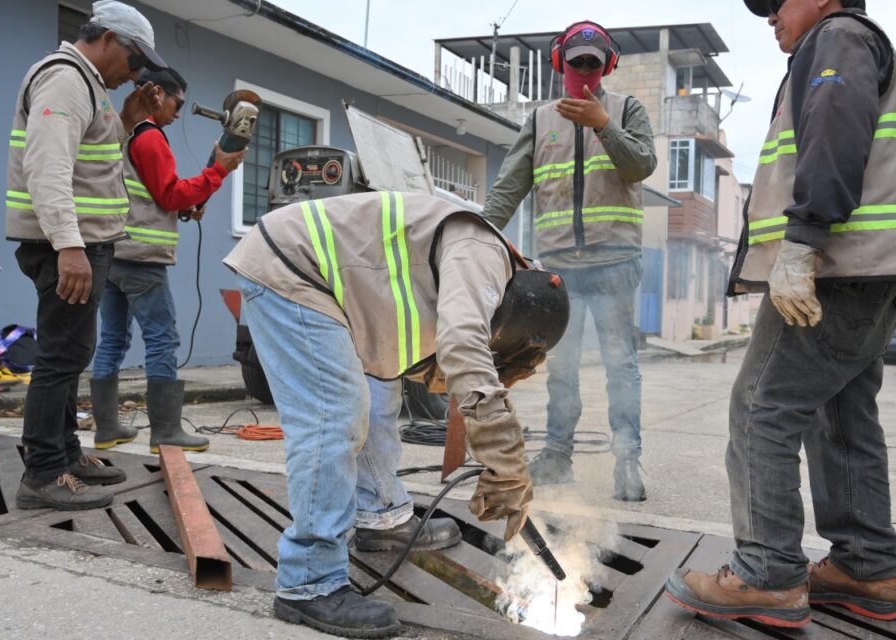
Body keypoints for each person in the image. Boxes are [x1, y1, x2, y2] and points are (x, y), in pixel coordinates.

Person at [664, 0, 896, 628]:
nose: (769, 17)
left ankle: (767, 574)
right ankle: (865, 568)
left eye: (777, 4)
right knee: (841, 415)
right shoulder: (847, 43)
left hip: (832, 270)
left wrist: (801, 245)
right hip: (869, 272)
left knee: (761, 407)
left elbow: (836, 130)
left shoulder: (837, 37)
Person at [224, 191, 566, 639]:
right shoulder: (486, 255)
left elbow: (457, 360)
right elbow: (465, 346)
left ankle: (381, 514)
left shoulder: (487, 273)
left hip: (339, 293)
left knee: (378, 393)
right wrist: (505, 458)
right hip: (292, 268)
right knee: (335, 415)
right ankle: (308, 582)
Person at [480, 20, 657, 502]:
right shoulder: (539, 121)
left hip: (615, 263)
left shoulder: (625, 110)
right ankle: (557, 456)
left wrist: (602, 124)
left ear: (606, 67)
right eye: (575, 61)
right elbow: (509, 188)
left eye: (592, 64)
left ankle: (627, 461)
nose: (583, 71)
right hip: (559, 270)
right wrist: (475, 237)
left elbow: (641, 165)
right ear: (560, 62)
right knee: (562, 367)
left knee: (621, 365)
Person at [6, 0, 166, 511]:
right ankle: (43, 474)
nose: (135, 72)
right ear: (109, 40)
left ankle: (67, 453)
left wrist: (126, 120)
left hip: (82, 242)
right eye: (135, 59)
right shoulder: (66, 78)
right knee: (60, 357)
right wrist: (69, 245)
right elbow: (48, 165)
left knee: (70, 352)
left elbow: (88, 157)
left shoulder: (87, 85)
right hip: (68, 246)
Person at [88, 67, 245, 454]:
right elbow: (170, 194)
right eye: (176, 103)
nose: (177, 113)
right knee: (162, 337)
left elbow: (153, 196)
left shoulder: (124, 136)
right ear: (157, 95)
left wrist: (185, 206)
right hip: (142, 259)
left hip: (114, 253)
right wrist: (217, 172)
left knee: (112, 339)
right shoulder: (151, 138)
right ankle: (166, 431)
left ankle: (107, 428)